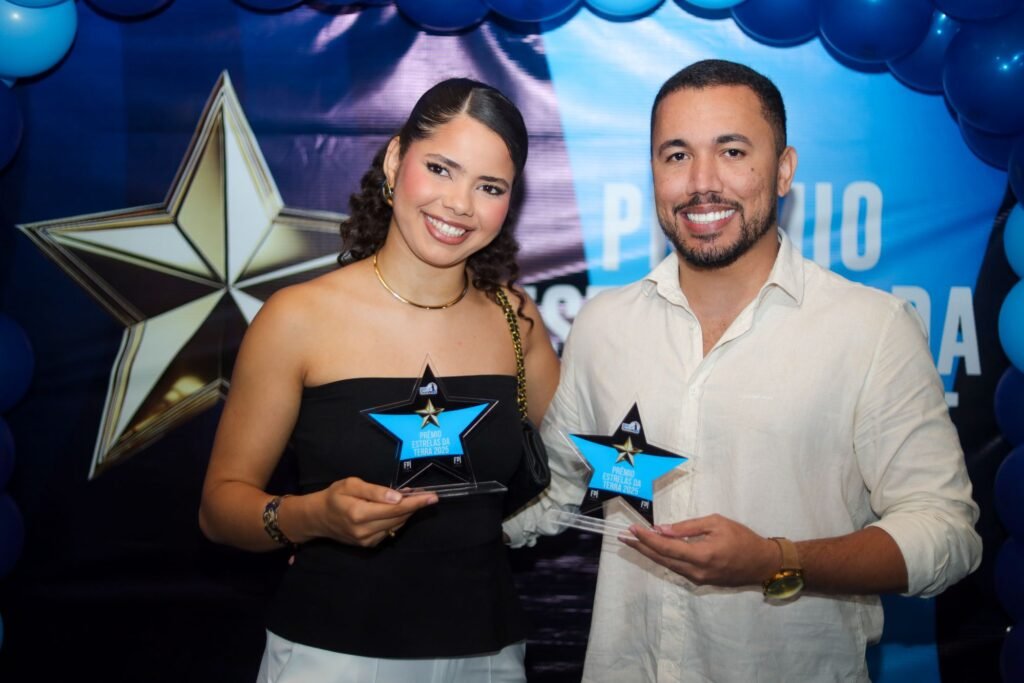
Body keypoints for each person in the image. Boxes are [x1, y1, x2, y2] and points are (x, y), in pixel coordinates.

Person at [503, 59, 982, 682]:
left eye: (732, 151)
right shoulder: (604, 324)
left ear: (784, 170)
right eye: (677, 155)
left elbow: (947, 533)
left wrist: (776, 559)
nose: (702, 182)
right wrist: (428, 498)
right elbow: (552, 492)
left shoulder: (871, 329)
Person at [199, 77, 559, 683]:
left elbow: (590, 462)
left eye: (489, 187)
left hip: (490, 656)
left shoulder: (515, 320)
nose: (459, 204)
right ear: (395, 161)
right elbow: (219, 508)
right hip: (331, 656)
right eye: (441, 169)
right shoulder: (297, 317)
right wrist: (314, 516)